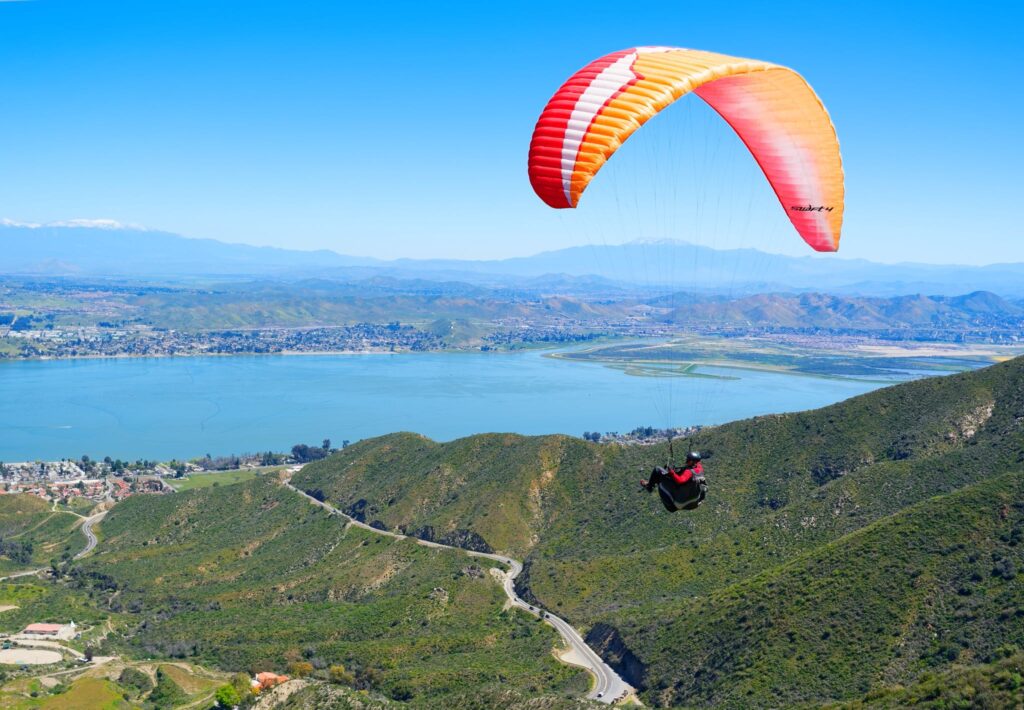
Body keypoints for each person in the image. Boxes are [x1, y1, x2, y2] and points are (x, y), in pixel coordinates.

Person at [641, 451, 706, 513]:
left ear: (691, 461)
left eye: (688, 460)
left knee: (657, 470)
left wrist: (672, 472)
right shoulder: (700, 469)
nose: (686, 461)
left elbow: (680, 480)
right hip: (694, 503)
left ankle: (649, 486)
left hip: (679, 503)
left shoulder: (689, 472)